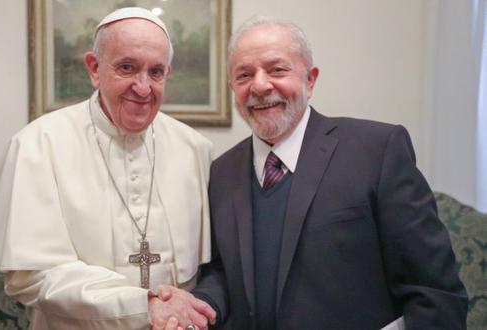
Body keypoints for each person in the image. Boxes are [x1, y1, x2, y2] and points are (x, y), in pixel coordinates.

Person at [159, 16, 468, 329]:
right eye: (244, 75)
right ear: (232, 88)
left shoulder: (377, 151)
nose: (261, 85)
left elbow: (436, 294)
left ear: (310, 79)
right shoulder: (222, 171)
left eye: (277, 69)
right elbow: (225, 272)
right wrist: (199, 306)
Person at [0, 7, 216, 330]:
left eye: (155, 72)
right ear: (94, 68)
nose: (143, 88)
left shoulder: (194, 148)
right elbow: (31, 277)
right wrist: (141, 305)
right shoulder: (37, 145)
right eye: (127, 68)